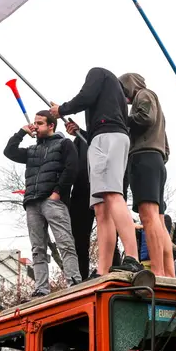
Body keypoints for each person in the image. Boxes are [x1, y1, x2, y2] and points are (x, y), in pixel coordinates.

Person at [50, 67, 143, 275]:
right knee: (101, 209)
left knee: (111, 195)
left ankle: (132, 257)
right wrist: (82, 131)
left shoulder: (97, 73)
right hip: (101, 137)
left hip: (106, 138)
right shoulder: (112, 97)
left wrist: (62, 110)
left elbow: (86, 96)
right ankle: (103, 269)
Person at [4, 110, 83, 295]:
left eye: (39, 123)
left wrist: (57, 193)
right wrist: (22, 132)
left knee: (65, 243)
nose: (35, 126)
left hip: (53, 201)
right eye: (34, 123)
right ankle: (41, 289)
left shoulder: (64, 144)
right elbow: (9, 151)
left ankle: (73, 281)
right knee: (37, 248)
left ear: (51, 125)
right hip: (32, 202)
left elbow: (72, 169)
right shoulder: (32, 151)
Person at [118, 73, 173, 277]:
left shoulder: (144, 95)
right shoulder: (156, 104)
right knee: (157, 219)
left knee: (148, 218)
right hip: (156, 160)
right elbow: (166, 146)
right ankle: (168, 271)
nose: (123, 96)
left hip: (143, 158)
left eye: (123, 90)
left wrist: (121, 118)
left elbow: (144, 118)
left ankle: (157, 270)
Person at [66, 120, 121, 280]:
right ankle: (80, 278)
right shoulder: (81, 140)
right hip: (82, 190)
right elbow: (71, 166)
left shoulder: (114, 137)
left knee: (110, 232)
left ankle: (114, 269)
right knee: (79, 238)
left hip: (104, 189)